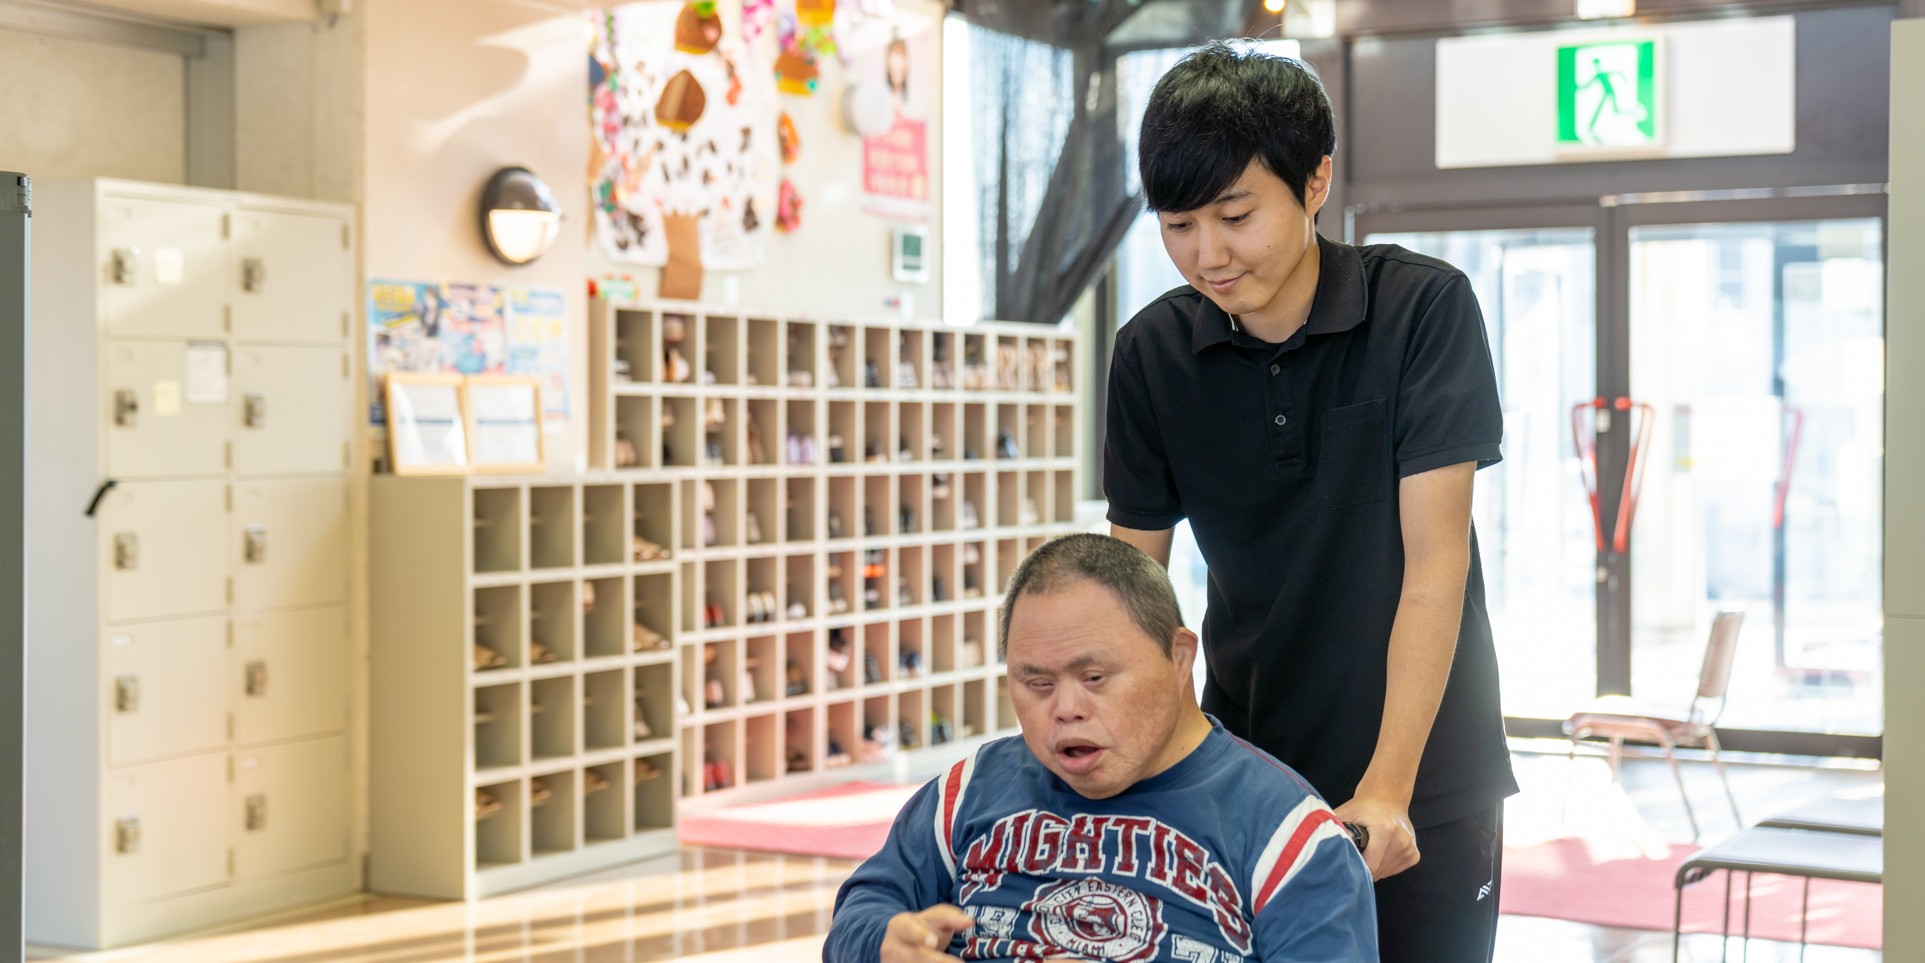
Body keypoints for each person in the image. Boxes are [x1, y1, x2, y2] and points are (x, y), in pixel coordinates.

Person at [1104, 41, 1517, 963]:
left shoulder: (1421, 309)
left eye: (1234, 215)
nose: (1206, 254)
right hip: (1246, 771)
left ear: (1315, 179)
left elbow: (1434, 562)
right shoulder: (1150, 354)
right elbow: (1132, 589)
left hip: (1424, 775)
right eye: (1177, 224)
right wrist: (1140, 763)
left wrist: (1387, 788)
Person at [823, 534, 1376, 963]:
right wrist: (885, 941)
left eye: (1094, 677)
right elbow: (862, 910)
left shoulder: (1289, 837)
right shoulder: (967, 792)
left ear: (1180, 659)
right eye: (1037, 683)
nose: (1066, 709)